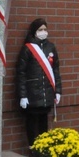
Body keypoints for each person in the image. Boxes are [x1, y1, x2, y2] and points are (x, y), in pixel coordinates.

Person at [17, 18, 62, 147]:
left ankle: (43, 148)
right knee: (31, 122)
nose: (43, 32)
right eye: (40, 29)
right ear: (34, 31)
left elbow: (56, 71)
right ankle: (33, 148)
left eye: (45, 29)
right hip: (32, 94)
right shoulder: (28, 49)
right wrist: (23, 95)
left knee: (43, 122)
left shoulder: (51, 47)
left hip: (46, 93)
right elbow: (21, 73)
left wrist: (58, 91)